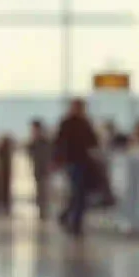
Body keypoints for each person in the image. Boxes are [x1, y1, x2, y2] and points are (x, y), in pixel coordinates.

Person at [54, 99, 100, 237]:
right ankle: (74, 222)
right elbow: (59, 143)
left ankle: (68, 217)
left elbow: (93, 142)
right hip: (73, 163)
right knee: (78, 192)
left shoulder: (82, 123)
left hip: (80, 162)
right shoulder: (70, 123)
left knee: (78, 193)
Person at [27, 120, 53, 221]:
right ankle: (41, 210)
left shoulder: (44, 141)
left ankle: (43, 210)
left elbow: (49, 153)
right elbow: (30, 152)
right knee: (40, 190)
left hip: (44, 169)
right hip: (38, 169)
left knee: (43, 190)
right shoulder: (34, 141)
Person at [0, 135, 15, 213]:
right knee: (2, 190)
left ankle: (4, 204)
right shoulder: (3, 151)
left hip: (5, 173)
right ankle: (3, 204)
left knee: (5, 190)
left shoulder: (7, 151)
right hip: (2, 174)